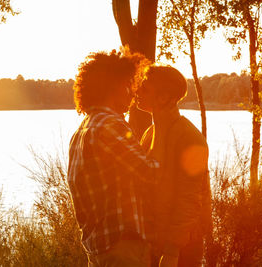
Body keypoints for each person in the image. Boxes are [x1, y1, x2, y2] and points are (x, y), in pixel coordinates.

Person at [67, 49, 161, 267]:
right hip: (122, 247)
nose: (132, 92)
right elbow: (151, 172)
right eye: (129, 85)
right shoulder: (109, 125)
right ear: (115, 87)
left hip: (98, 248)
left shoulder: (82, 130)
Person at [136, 65, 212, 267]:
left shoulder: (190, 137)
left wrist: (172, 251)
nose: (137, 90)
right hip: (155, 242)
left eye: (145, 88)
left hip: (181, 249)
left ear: (163, 97)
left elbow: (190, 199)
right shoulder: (150, 134)